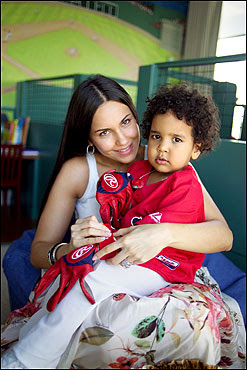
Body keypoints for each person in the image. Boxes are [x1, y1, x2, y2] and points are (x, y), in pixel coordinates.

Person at [1, 75, 232, 369]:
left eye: (126, 123)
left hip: (157, 265)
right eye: (104, 132)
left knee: (190, 324)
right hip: (106, 263)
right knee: (94, 318)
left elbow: (223, 236)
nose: (123, 140)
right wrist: (69, 248)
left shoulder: (167, 162)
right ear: (88, 137)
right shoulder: (79, 171)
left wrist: (160, 234)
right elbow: (38, 252)